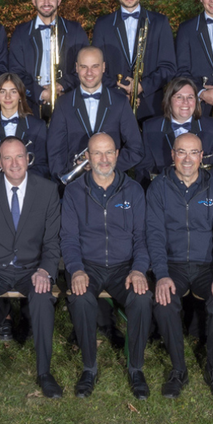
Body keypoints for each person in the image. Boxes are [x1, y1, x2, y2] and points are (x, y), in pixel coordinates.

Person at [0, 138, 63, 398]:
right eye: (7, 158)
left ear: (28, 158)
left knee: (43, 298)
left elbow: (52, 242)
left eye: (19, 156)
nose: (14, 163)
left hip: (32, 269)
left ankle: (44, 373)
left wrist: (45, 270)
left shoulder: (48, 190)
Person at [59, 133, 151, 398]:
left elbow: (142, 237)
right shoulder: (75, 191)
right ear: (87, 157)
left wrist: (138, 268)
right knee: (80, 299)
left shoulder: (133, 189)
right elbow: (69, 238)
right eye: (97, 153)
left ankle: (136, 368)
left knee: (142, 299)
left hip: (125, 267)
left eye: (108, 152)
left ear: (117, 154)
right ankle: (89, 367)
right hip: (89, 265)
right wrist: (76, 269)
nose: (103, 159)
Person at [144, 133, 213, 398]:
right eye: (181, 152)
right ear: (172, 155)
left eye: (193, 152)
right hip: (173, 265)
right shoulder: (158, 187)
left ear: (201, 157)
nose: (187, 159)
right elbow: (155, 235)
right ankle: (178, 369)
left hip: (207, 267)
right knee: (164, 301)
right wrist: (161, 274)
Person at [46, 46, 144, 183]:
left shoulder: (120, 102)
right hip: (76, 184)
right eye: (84, 67)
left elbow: (136, 149)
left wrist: (105, 166)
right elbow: (55, 151)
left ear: (104, 67)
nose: (89, 73)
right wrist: (69, 176)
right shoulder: (63, 104)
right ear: (76, 67)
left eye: (95, 66)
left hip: (112, 183)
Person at [92, 0, 176, 121]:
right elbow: (96, 67)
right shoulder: (102, 25)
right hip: (113, 104)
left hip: (151, 105)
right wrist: (121, 89)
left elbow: (169, 67)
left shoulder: (160, 23)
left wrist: (142, 86)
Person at [7, 0, 88, 117]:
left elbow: (85, 67)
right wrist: (40, 93)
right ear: (33, 0)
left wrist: (61, 85)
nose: (46, 3)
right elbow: (15, 71)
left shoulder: (75, 31)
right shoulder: (20, 33)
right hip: (29, 106)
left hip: (68, 103)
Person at [140, 77, 213, 186]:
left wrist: (196, 183)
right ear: (168, 100)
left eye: (190, 97)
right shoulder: (150, 127)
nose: (185, 102)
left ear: (196, 101)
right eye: (179, 97)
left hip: (201, 191)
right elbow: (144, 168)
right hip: (163, 192)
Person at [0, 73, 49, 184]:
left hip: (28, 190)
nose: (7, 97)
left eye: (13, 92)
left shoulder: (37, 126)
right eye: (2, 91)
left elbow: (42, 167)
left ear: (20, 95)